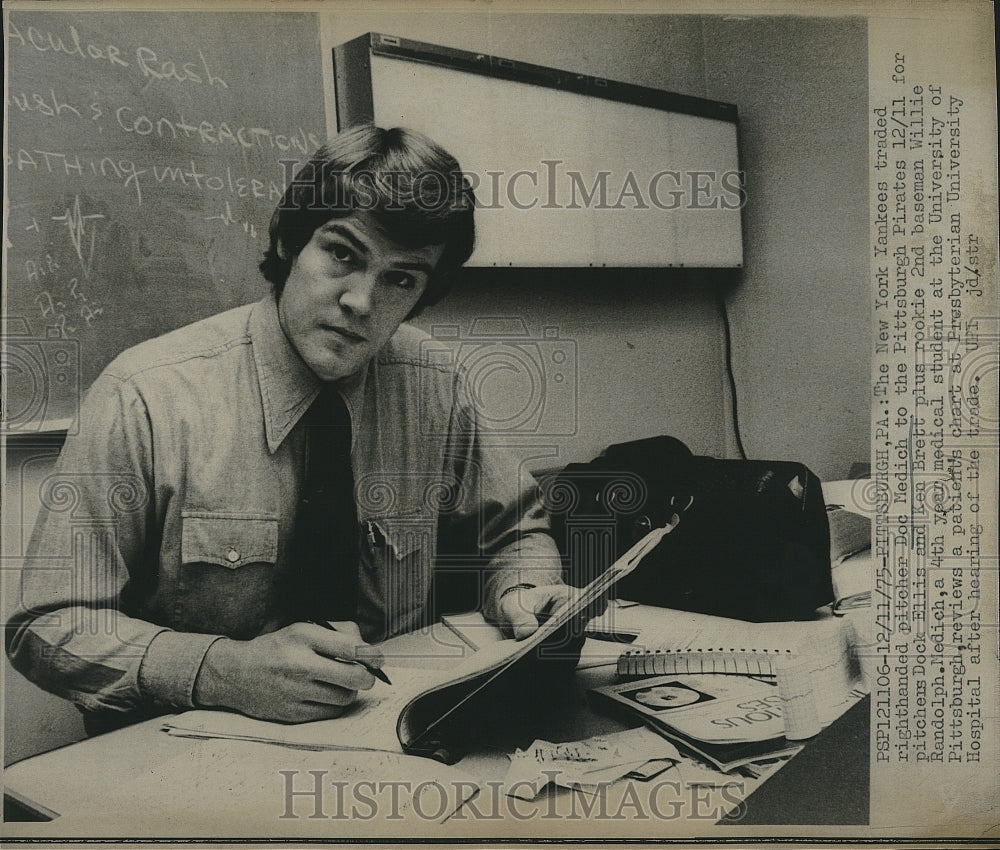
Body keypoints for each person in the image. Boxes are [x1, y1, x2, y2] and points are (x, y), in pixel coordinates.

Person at [6, 124, 579, 731]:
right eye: (342, 254)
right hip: (186, 751)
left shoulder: (435, 382)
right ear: (288, 243)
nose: (361, 300)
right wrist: (215, 669)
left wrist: (524, 594)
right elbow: (47, 624)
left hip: (384, 734)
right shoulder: (145, 396)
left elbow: (514, 532)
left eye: (401, 279)